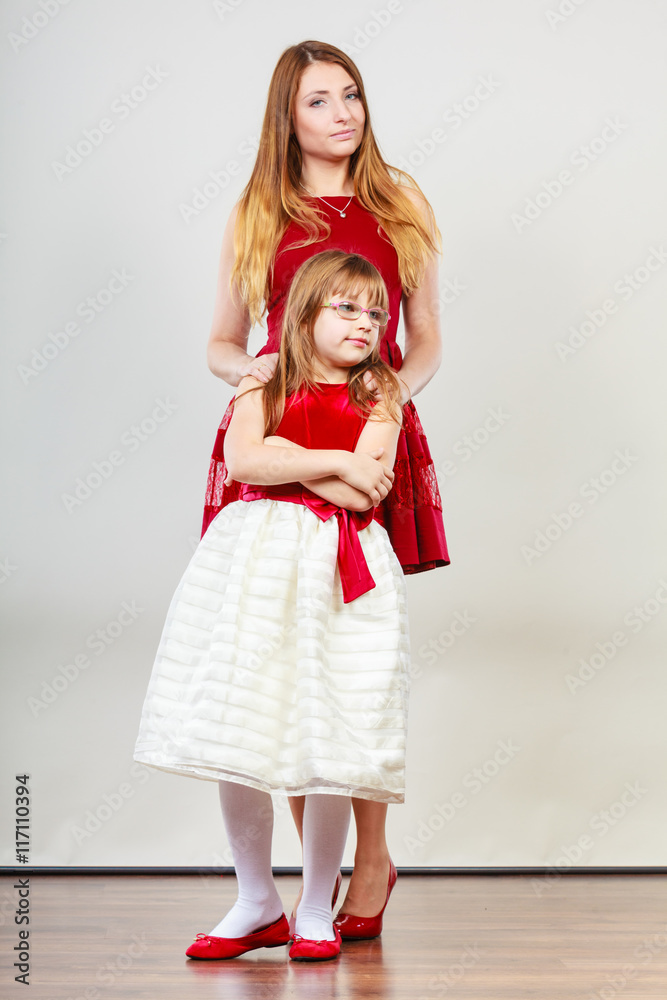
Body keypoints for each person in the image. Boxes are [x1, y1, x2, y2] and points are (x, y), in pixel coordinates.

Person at [200, 38, 450, 936]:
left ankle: (370, 859)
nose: (343, 113)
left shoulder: (399, 201)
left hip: (369, 421)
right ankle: (312, 886)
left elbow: (423, 339)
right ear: (288, 115)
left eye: (351, 95)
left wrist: (381, 395)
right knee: (284, 640)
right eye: (320, 100)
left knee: (351, 645)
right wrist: (257, 378)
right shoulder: (257, 210)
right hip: (280, 424)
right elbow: (223, 342)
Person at [133, 250, 410, 962]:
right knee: (242, 721)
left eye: (375, 311)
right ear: (304, 311)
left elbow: (364, 493)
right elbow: (246, 463)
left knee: (329, 734)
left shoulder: (378, 393)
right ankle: (256, 899)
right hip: (253, 565)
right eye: (345, 308)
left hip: (340, 570)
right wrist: (338, 460)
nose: (365, 323)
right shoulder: (261, 380)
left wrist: (306, 456)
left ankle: (316, 905)